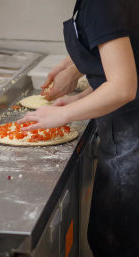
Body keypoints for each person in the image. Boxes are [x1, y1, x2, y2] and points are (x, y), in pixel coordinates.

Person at [18, 0, 139, 256]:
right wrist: (78, 97)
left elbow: (123, 87)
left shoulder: (100, 4)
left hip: (132, 148)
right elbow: (129, 61)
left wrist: (62, 114)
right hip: (126, 137)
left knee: (120, 242)